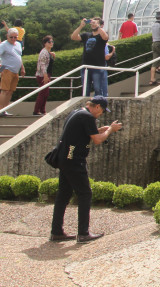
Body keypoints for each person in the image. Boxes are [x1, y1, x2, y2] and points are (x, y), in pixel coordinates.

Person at [50, 95, 123, 243]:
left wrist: (108, 128)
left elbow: (91, 132)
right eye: (102, 110)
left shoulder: (78, 112)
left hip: (64, 158)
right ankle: (83, 233)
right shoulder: (87, 117)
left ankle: (56, 231)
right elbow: (96, 139)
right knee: (85, 194)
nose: (101, 113)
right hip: (74, 161)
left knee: (63, 194)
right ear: (96, 106)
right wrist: (109, 131)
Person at [71, 17, 109, 97]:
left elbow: (105, 37)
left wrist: (97, 26)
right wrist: (81, 26)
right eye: (92, 23)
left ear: (100, 25)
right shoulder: (86, 35)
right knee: (85, 89)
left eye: (96, 22)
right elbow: (73, 37)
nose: (93, 24)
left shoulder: (101, 35)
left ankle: (99, 105)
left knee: (97, 88)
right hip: (86, 67)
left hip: (98, 67)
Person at [0, 28, 25, 116]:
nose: (13, 39)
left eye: (15, 37)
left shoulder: (18, 44)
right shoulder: (3, 45)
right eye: (11, 37)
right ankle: (0, 109)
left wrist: (22, 68)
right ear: (7, 36)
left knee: (10, 91)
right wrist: (1, 69)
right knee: (5, 91)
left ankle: (5, 109)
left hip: (15, 71)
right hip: (7, 70)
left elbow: (19, 56)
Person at [33, 35, 55, 115]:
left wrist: (51, 53)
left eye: (52, 42)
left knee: (45, 93)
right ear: (45, 43)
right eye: (49, 42)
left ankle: (42, 110)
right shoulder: (44, 52)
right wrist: (45, 76)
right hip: (43, 75)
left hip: (46, 74)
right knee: (43, 93)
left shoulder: (47, 52)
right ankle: (37, 110)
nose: (51, 43)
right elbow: (42, 65)